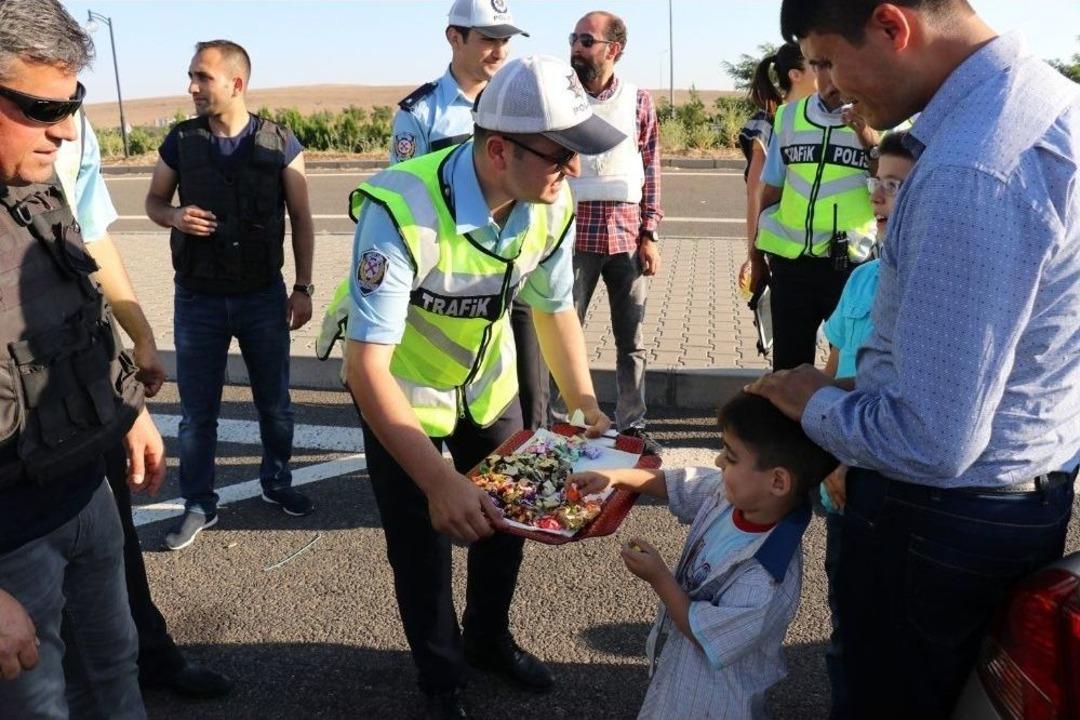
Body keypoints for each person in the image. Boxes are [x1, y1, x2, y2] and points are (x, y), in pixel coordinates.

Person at [752, 1, 1080, 717]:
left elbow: (932, 440)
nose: (830, 89)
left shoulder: (972, 167)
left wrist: (817, 402)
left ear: (893, 26)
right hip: (1016, 500)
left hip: (937, 523)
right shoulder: (1053, 104)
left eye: (831, 60)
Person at [344, 54, 621, 720]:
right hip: (403, 394)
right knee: (423, 545)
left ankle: (488, 639)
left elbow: (555, 312)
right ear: (499, 149)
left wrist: (585, 405)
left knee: (507, 522)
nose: (575, 169)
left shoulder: (550, 202)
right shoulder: (399, 209)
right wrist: (438, 482)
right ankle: (441, 680)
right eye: (561, 154)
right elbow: (365, 368)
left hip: (487, 386)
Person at [0, 0, 166, 716]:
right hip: (9, 544)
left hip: (85, 494)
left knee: (114, 671)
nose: (64, 129)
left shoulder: (40, 181)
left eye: (71, 105)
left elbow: (80, 307)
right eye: (41, 108)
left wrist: (126, 409)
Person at [56, 113, 233, 699]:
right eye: (40, 108)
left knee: (112, 534)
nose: (58, 130)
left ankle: (148, 658)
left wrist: (138, 340)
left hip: (80, 366)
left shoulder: (71, 121)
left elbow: (90, 235)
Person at [318, 0, 552, 430]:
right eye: (488, 39)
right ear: (454, 37)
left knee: (524, 393)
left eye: (506, 41)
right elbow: (401, 197)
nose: (500, 51)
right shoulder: (421, 112)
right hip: (440, 277)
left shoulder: (515, 106)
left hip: (506, 264)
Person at [145, 40, 317, 550]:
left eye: (202, 77)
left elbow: (304, 221)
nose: (192, 87)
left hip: (263, 296)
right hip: (197, 299)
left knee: (276, 406)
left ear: (236, 84)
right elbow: (154, 201)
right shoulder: (181, 141)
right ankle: (199, 503)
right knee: (198, 413)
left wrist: (303, 287)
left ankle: (278, 483)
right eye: (191, 77)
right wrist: (173, 216)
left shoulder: (280, 143)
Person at [571, 392, 837, 719]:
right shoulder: (733, 496)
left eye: (731, 456)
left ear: (778, 481)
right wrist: (617, 477)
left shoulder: (766, 577)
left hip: (717, 702)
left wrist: (659, 578)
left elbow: (702, 632)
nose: (718, 462)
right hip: (681, 679)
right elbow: (675, 484)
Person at [817, 130, 913, 719]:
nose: (878, 196)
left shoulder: (929, 291)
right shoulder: (860, 278)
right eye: (876, 181)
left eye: (896, 186)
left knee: (896, 637)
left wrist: (848, 457)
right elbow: (831, 375)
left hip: (885, 478)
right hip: (841, 485)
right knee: (846, 622)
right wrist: (830, 454)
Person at [552, 11, 663, 453]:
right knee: (563, 335)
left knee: (631, 340)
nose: (576, 48)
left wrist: (650, 233)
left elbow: (651, 168)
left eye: (586, 40)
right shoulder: (561, 98)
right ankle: (562, 423)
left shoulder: (639, 101)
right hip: (571, 239)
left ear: (613, 49)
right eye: (574, 38)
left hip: (626, 239)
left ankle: (631, 424)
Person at [753, 40, 879, 371]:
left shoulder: (882, 118)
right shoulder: (789, 116)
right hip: (791, 264)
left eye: (837, 65)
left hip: (851, 265)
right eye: (820, 66)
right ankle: (788, 426)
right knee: (789, 372)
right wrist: (754, 258)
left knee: (849, 369)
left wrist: (868, 138)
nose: (830, 78)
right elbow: (770, 193)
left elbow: (896, 190)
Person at [736, 43, 816, 297]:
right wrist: (753, 255)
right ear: (795, 75)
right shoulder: (769, 122)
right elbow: (756, 194)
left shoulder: (822, 118)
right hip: (781, 251)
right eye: (816, 64)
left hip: (819, 251)